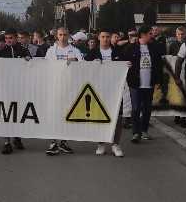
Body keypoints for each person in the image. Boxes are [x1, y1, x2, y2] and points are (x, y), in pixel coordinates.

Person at [85, 30, 125, 157]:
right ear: (99, 38)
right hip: (99, 89)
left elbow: (126, 65)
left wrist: (128, 65)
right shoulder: (92, 53)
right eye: (103, 37)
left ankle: (115, 144)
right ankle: (101, 143)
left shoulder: (118, 51)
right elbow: (83, 68)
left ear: (111, 38)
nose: (105, 39)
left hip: (116, 89)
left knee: (117, 117)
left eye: (108, 37)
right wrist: (92, 64)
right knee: (100, 116)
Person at [44, 27, 82, 156]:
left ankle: (64, 142)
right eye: (60, 34)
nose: (63, 37)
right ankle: (53, 142)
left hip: (70, 87)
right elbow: (46, 67)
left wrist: (75, 61)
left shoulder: (75, 51)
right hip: (54, 87)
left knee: (67, 115)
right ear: (57, 36)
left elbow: (83, 65)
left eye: (65, 34)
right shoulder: (51, 51)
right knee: (54, 114)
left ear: (69, 35)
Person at [126, 26, 162, 144]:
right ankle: (136, 132)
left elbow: (159, 65)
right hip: (135, 84)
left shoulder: (154, 48)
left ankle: (144, 130)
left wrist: (158, 81)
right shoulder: (131, 48)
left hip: (149, 84)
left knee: (147, 109)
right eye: (149, 34)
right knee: (136, 108)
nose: (152, 35)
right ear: (142, 35)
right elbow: (122, 61)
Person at [0, 28, 30, 154]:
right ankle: (6, 142)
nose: (8, 40)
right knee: (6, 114)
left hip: (20, 88)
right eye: (6, 38)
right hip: (6, 88)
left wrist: (28, 60)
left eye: (10, 38)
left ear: (16, 38)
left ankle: (17, 137)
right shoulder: (1, 52)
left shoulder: (23, 50)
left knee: (18, 114)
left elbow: (33, 65)